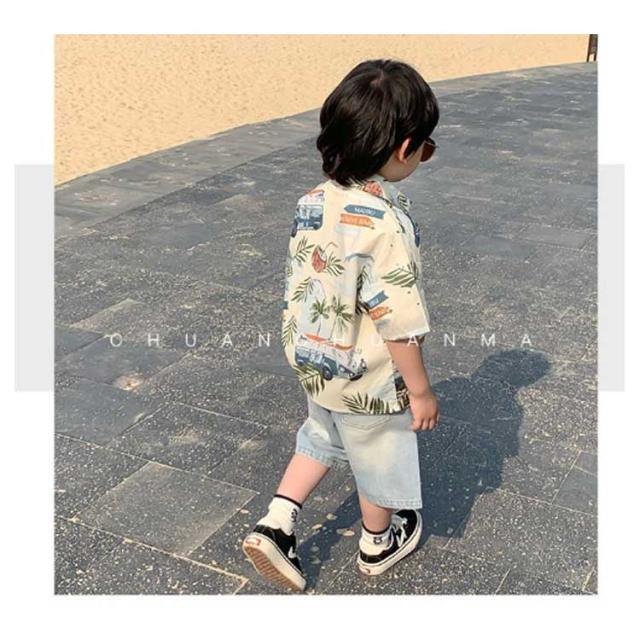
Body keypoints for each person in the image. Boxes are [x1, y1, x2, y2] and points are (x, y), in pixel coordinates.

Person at [242, 58, 440, 592]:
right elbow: (397, 321)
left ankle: (277, 521)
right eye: (426, 147)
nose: (423, 155)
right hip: (368, 375)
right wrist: (420, 391)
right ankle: (378, 541)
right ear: (405, 148)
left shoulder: (312, 201)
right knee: (379, 456)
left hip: (315, 356)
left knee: (320, 434)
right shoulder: (386, 224)